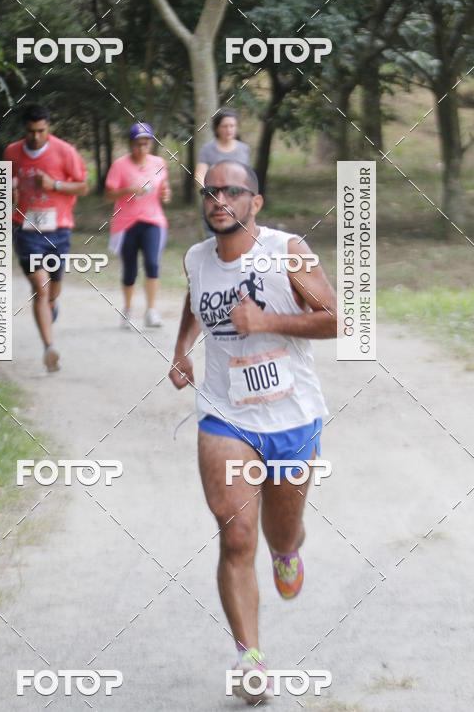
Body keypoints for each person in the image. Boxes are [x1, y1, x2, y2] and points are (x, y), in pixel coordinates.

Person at [169, 160, 336, 704]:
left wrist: (266, 322)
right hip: (226, 415)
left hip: (292, 419)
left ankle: (287, 553)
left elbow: (339, 318)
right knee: (236, 534)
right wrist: (181, 350)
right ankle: (251, 659)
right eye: (211, 191)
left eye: (231, 191)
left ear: (254, 203)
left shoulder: (289, 251)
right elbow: (195, 300)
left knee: (280, 534)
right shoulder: (196, 258)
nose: (218, 199)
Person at [4, 104, 89, 372]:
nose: (36, 137)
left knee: (52, 290)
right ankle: (49, 348)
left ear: (48, 128)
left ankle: (50, 306)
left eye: (41, 131)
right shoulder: (12, 152)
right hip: (26, 228)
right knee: (39, 287)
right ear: (24, 130)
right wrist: (10, 191)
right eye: (31, 132)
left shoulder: (65, 151)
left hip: (58, 229)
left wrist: (56, 186)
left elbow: (83, 186)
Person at [105, 123, 171, 328]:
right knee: (130, 269)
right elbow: (108, 194)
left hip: (153, 221)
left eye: (145, 144)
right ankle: (127, 310)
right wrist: (128, 189)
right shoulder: (119, 165)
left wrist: (166, 194)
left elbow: (164, 188)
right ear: (130, 144)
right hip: (126, 223)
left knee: (152, 263)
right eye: (137, 144)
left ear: (150, 143)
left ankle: (151, 311)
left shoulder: (159, 162)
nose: (142, 148)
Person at [194, 107, 251, 187]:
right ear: (217, 128)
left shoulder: (244, 149)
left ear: (237, 127)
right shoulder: (207, 149)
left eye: (232, 126)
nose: (229, 130)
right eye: (224, 126)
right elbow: (199, 175)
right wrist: (208, 193)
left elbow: (247, 177)